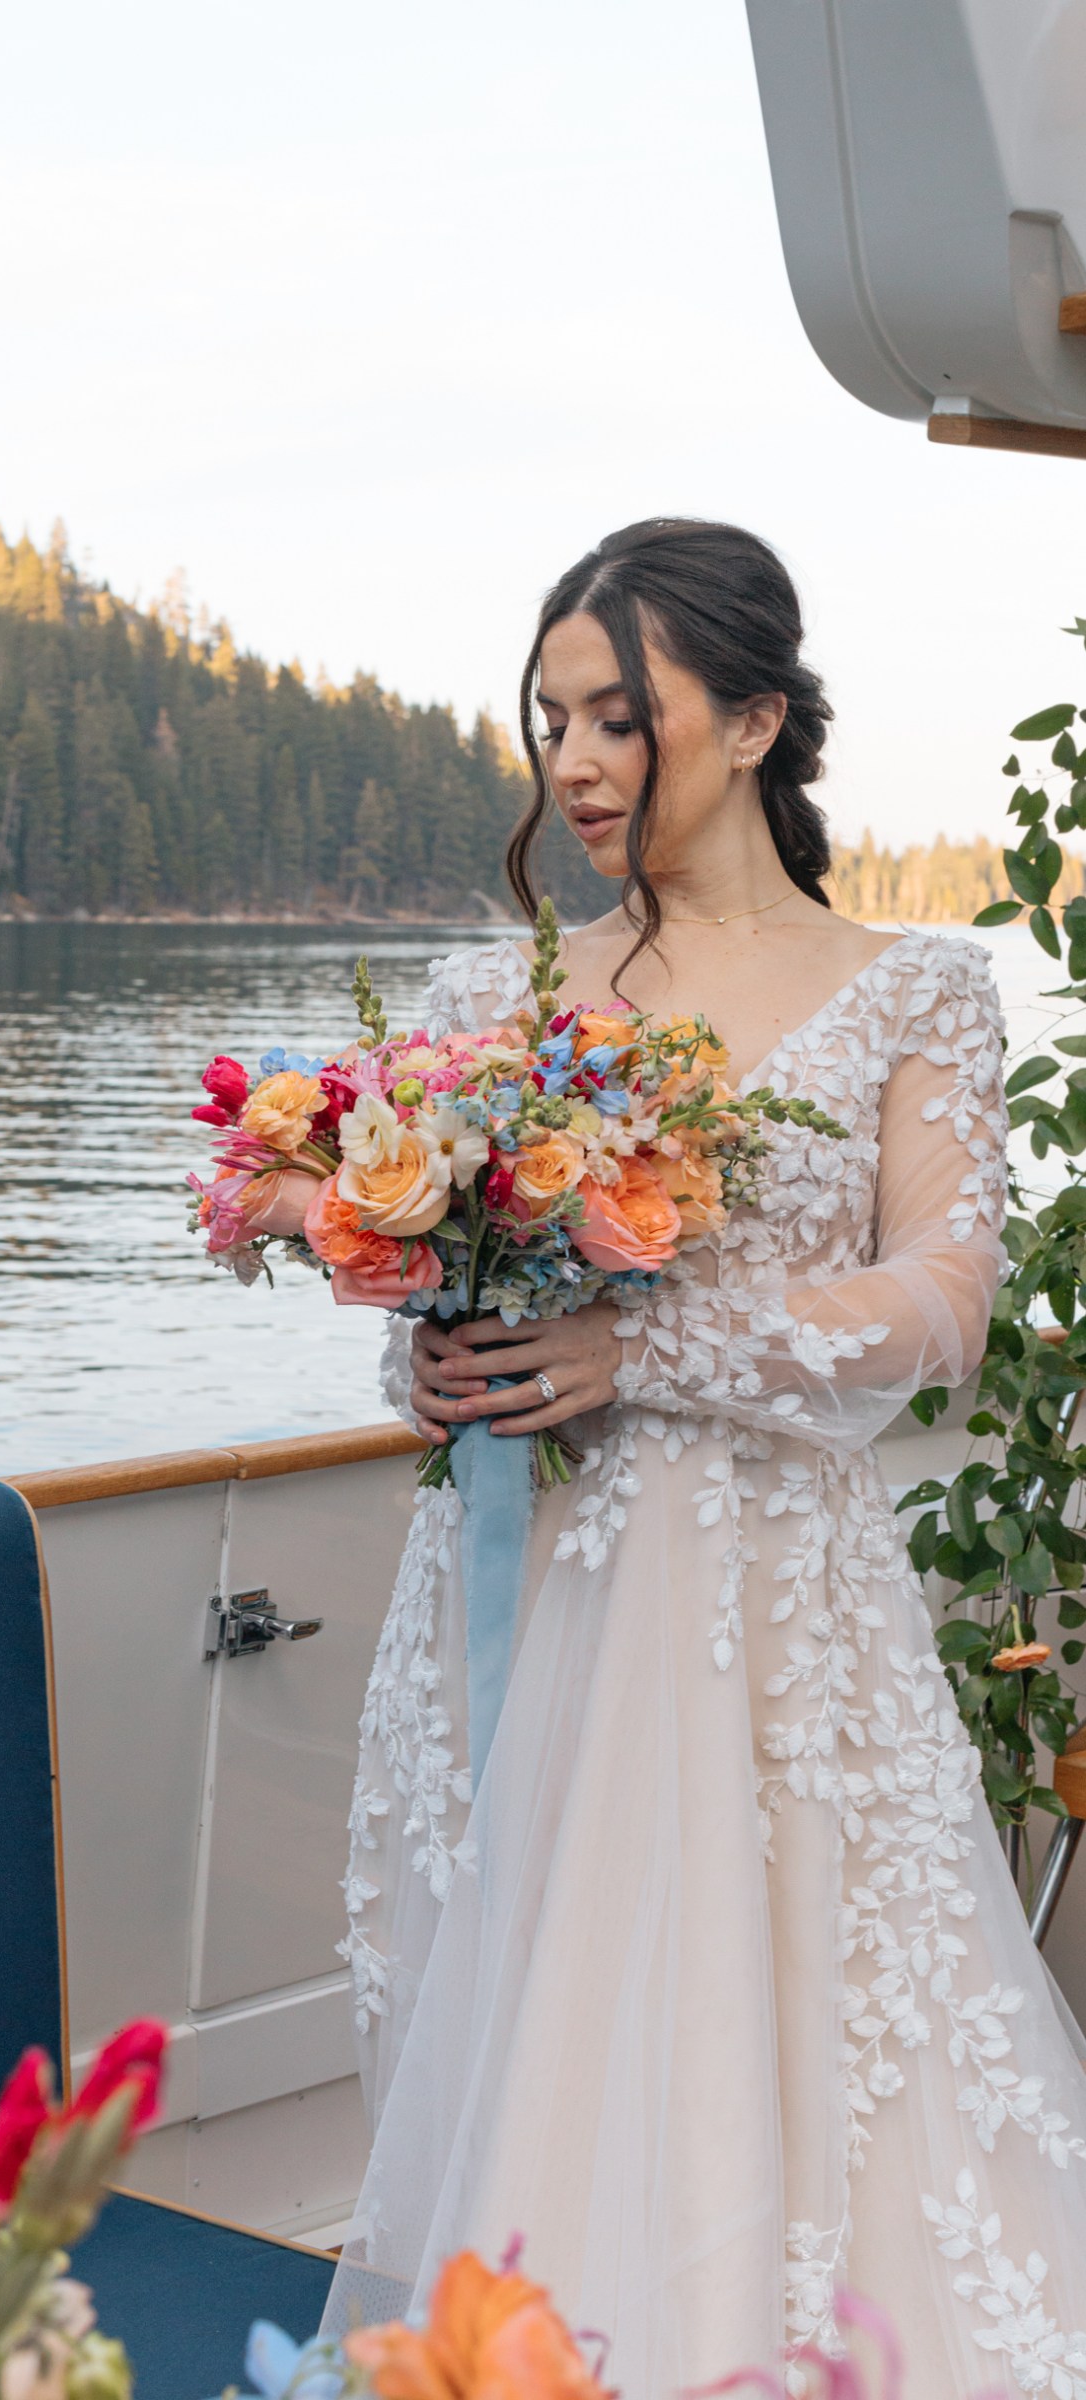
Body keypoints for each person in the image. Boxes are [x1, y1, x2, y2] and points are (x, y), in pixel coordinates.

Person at [326, 519, 1086, 2394]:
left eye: (616, 718)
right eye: (549, 722)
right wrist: (433, 1363)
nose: (570, 763)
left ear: (750, 722)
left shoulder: (914, 992)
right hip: (525, 1590)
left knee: (799, 2026)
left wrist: (643, 1346)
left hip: (765, 1608)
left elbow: (945, 1302)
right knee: (548, 2018)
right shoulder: (495, 1006)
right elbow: (453, 1293)